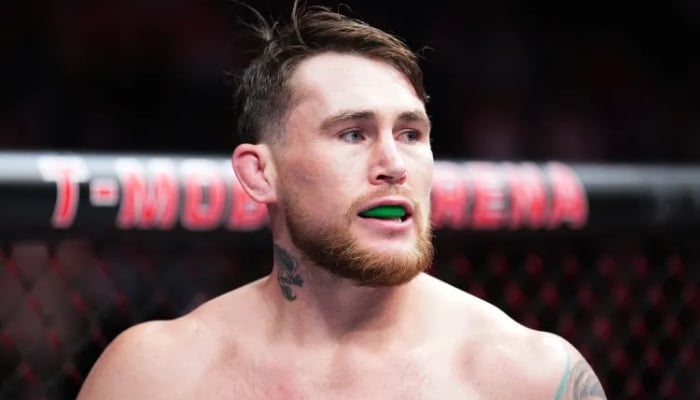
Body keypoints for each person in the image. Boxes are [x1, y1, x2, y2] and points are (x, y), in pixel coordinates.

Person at [78, 3, 607, 399]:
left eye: (410, 134)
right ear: (260, 173)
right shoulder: (154, 375)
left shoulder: (529, 376)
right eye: (353, 134)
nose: (393, 164)